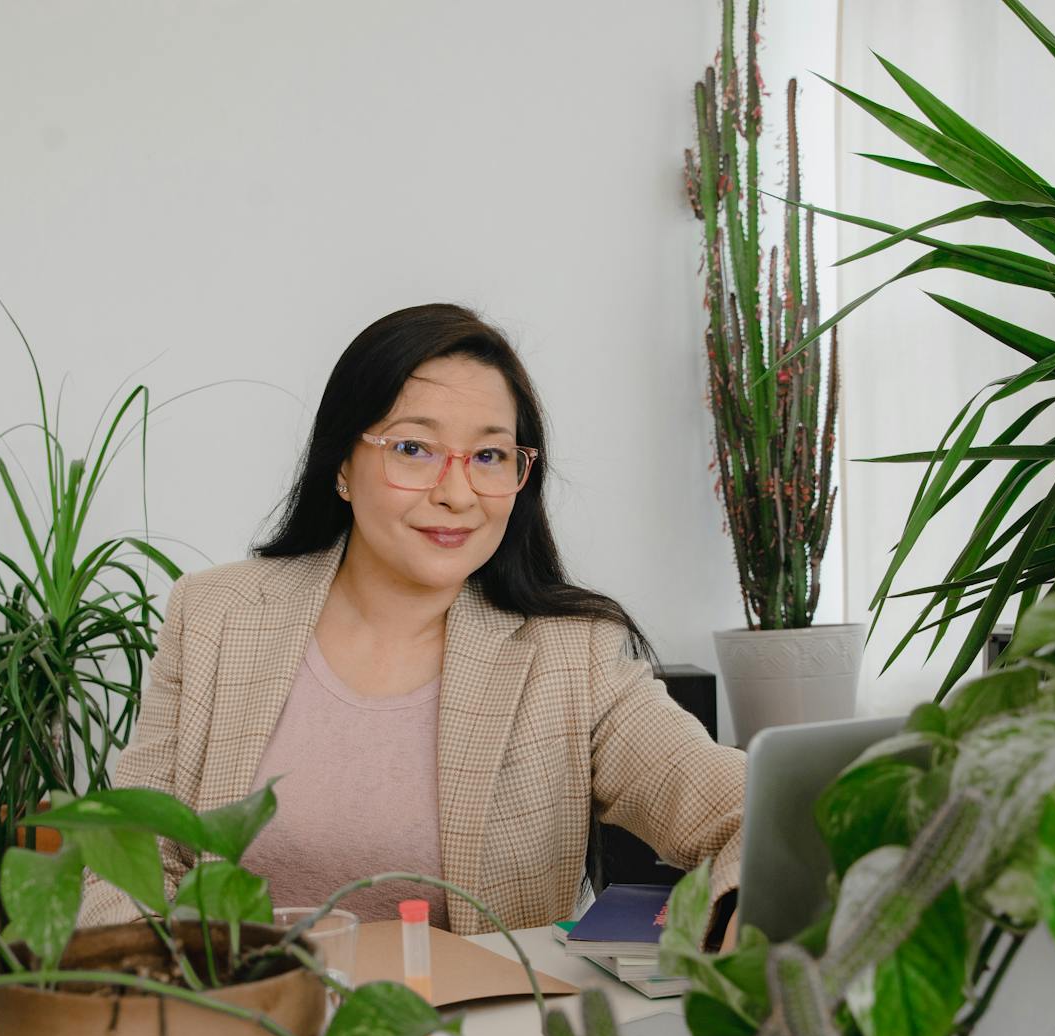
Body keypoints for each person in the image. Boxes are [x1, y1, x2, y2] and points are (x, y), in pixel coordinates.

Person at [77, 303, 744, 938]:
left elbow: (741, 812)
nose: (456, 493)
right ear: (342, 462)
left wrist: (747, 905)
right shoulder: (217, 617)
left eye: (488, 457)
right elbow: (128, 859)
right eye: (415, 449)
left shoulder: (570, 656)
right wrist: (161, 1013)